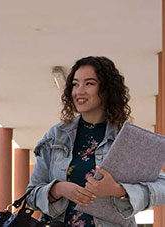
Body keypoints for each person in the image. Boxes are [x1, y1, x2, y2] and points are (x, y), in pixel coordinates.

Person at [26, 56, 165, 226]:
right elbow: (31, 196)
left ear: (106, 90)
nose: (79, 91)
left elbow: (162, 188)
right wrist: (58, 189)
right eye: (75, 84)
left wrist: (119, 190)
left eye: (89, 83)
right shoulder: (56, 135)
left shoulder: (127, 138)